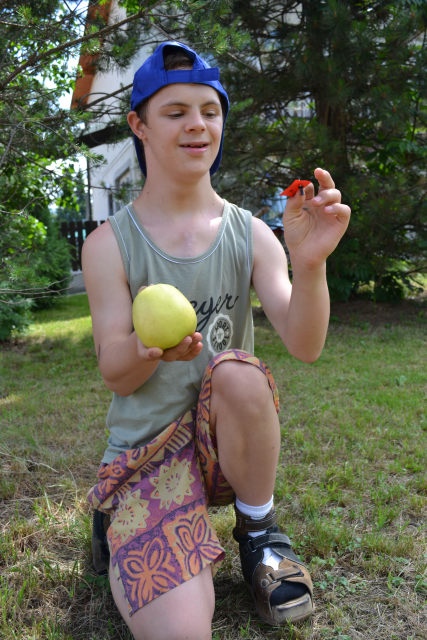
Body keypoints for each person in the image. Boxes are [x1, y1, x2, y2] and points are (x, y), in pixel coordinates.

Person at [82, 40, 351, 640]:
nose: (197, 125)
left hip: (224, 449)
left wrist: (309, 266)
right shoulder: (108, 245)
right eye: (175, 112)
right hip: (148, 456)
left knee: (237, 371)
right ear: (139, 125)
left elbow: (305, 344)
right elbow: (115, 371)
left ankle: (259, 533)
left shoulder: (249, 232)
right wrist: (150, 351)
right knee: (180, 631)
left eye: (210, 111)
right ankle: (121, 519)